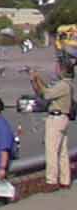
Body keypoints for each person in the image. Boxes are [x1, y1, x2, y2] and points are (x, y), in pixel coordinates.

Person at [31, 58, 74, 189]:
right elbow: (47, 89)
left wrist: (36, 79)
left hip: (56, 118)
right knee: (62, 151)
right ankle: (65, 180)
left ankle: (51, 181)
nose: (55, 70)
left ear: (63, 70)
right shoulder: (67, 84)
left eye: (57, 67)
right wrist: (37, 79)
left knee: (52, 151)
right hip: (63, 119)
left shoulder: (62, 85)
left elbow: (46, 94)